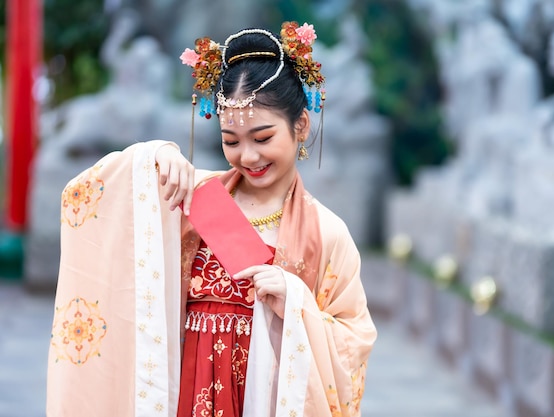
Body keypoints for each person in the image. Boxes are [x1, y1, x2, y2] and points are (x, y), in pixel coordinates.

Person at [46, 21, 377, 417]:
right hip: (189, 391)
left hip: (264, 399)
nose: (248, 156)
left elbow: (354, 341)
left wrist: (297, 301)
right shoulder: (192, 197)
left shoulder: (327, 233)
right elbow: (88, 197)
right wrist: (153, 156)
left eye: (263, 137)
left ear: (300, 126)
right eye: (231, 141)